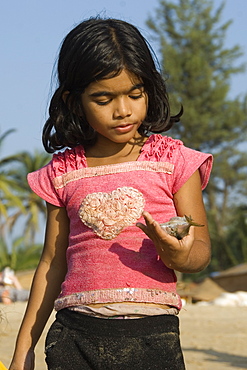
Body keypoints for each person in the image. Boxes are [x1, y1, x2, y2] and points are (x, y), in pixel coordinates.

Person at [9, 17, 213, 370]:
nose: (123, 110)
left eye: (135, 94)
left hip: (154, 338)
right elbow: (52, 263)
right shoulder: (63, 171)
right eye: (103, 99)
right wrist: (22, 352)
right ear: (75, 102)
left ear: (150, 89)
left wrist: (176, 255)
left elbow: (200, 254)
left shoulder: (175, 161)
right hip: (74, 337)